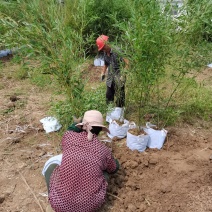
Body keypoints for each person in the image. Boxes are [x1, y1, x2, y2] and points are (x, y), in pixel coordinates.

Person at [42, 110, 119, 212]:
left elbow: (71, 128)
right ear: (100, 129)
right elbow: (113, 169)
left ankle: (56, 199)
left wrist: (77, 124)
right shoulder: (104, 151)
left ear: (82, 126)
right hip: (89, 207)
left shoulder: (69, 137)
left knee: (53, 167)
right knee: (104, 171)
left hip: (60, 205)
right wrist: (115, 161)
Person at [96, 35, 129, 107]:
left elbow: (127, 62)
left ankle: (120, 112)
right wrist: (103, 73)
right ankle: (110, 112)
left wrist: (123, 74)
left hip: (119, 76)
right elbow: (106, 63)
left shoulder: (117, 50)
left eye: (104, 47)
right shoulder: (105, 52)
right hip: (110, 78)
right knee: (108, 96)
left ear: (107, 43)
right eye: (102, 49)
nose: (103, 50)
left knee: (120, 96)